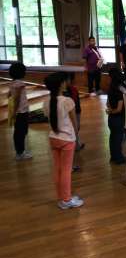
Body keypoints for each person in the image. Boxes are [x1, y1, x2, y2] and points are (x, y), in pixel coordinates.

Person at [43, 72, 84, 210]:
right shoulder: (67, 101)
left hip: (53, 137)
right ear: (61, 84)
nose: (66, 83)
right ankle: (66, 200)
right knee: (66, 170)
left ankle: (61, 197)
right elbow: (74, 122)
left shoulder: (46, 101)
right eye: (64, 81)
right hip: (66, 139)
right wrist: (76, 134)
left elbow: (49, 118)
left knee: (58, 169)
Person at [8, 62, 32, 160]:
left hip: (19, 112)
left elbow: (10, 94)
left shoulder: (12, 83)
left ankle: (19, 152)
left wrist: (13, 110)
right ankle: (20, 153)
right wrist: (14, 111)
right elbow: (17, 98)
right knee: (21, 132)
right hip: (21, 112)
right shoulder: (20, 84)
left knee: (18, 132)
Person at [106, 68, 126, 164]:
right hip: (118, 119)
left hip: (111, 119)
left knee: (112, 138)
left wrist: (110, 111)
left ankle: (113, 157)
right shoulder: (119, 90)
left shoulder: (110, 89)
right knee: (118, 139)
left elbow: (107, 104)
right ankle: (118, 158)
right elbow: (119, 109)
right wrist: (112, 111)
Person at [64, 72, 84, 153]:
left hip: (74, 111)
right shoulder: (71, 90)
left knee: (74, 128)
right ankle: (75, 146)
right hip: (74, 112)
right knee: (75, 128)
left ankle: (77, 144)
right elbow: (75, 102)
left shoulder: (71, 89)